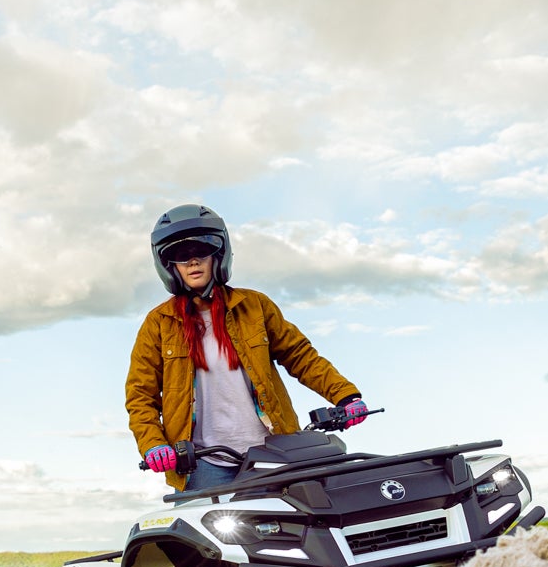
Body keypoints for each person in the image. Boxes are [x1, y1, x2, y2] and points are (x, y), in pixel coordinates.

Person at [126, 204, 368, 492]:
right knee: (209, 533)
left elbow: (300, 356)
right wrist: (153, 443)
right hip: (203, 461)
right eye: (180, 256)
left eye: (201, 251)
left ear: (219, 255)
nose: (192, 262)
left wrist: (346, 396)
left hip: (274, 451)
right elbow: (141, 395)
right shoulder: (159, 323)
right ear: (169, 266)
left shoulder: (254, 306)